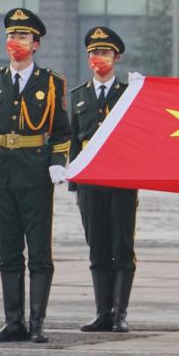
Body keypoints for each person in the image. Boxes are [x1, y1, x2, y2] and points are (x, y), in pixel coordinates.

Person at [0, 8, 71, 344]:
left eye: (22, 36)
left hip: (35, 174)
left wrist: (57, 161)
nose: (14, 41)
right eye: (11, 35)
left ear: (35, 44)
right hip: (2, 173)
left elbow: (62, 131)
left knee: (39, 252)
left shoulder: (51, 82)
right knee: (8, 251)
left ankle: (37, 324)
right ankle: (13, 322)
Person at [67, 26, 140, 333]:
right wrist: (73, 180)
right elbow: (74, 140)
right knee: (97, 247)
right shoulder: (78, 96)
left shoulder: (129, 94)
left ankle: (120, 313)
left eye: (105, 53)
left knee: (121, 246)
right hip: (90, 182)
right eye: (94, 53)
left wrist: (141, 90)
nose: (99, 58)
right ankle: (102, 313)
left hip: (121, 179)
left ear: (116, 57)